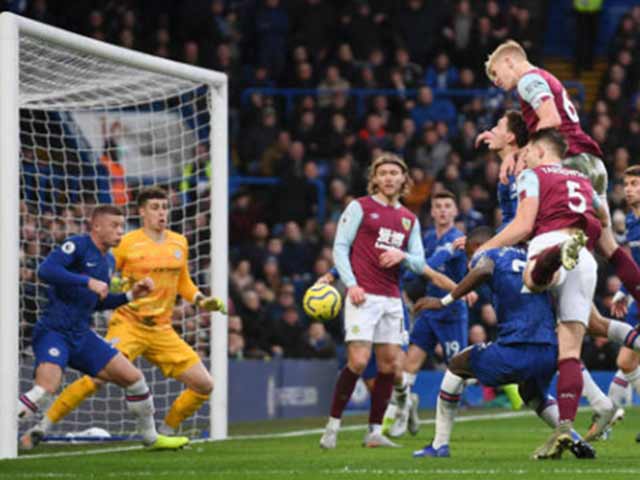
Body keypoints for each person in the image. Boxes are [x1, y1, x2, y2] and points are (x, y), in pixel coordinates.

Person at [26, 187, 226, 446]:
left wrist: (200, 299)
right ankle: (42, 426)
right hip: (129, 324)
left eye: (164, 207)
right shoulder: (124, 244)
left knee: (204, 384)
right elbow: (105, 278)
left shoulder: (180, 242)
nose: (162, 213)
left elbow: (183, 282)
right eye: (155, 207)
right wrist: (117, 288)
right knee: (96, 379)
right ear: (141, 212)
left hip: (162, 328)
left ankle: (166, 430)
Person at [477, 111, 617, 438]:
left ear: (534, 148)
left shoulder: (530, 173)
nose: (523, 160)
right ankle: (576, 419)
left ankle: (553, 259)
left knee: (534, 286)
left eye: (526, 155)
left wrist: (487, 249)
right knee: (574, 343)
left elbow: (523, 224)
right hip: (581, 255)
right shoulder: (574, 177)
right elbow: (603, 215)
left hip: (542, 245)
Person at [411, 227, 594, 459]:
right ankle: (573, 438)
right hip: (549, 349)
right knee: (531, 392)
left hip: (517, 346)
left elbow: (484, 269)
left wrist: (444, 301)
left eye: (469, 256)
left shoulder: (489, 254)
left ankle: (439, 445)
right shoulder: (527, 254)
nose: (470, 262)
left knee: (458, 365)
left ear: (477, 247)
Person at [484, 40, 640, 308]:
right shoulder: (545, 78)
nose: (496, 81)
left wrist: (522, 154)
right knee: (610, 248)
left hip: (570, 163)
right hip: (591, 162)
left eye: (496, 73)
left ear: (510, 60)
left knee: (549, 234)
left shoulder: (528, 80)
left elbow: (551, 119)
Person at [319, 152, 429, 449]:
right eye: (383, 173)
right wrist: (350, 284)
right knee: (357, 361)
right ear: (375, 179)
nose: (389, 178)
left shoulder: (409, 219)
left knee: (389, 366)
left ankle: (375, 431)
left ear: (403, 179)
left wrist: (403, 256)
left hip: (392, 299)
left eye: (395, 173)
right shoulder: (359, 207)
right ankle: (332, 427)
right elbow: (340, 248)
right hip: (362, 296)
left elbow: (420, 261)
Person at [388, 191, 469, 438]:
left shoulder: (459, 239)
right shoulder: (427, 237)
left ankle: (502, 387)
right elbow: (415, 272)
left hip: (452, 311)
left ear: (455, 211)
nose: (443, 210)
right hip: (428, 311)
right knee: (407, 367)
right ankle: (404, 409)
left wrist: (414, 262)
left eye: (447, 206)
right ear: (432, 212)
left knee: (459, 372)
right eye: (438, 206)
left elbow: (429, 265)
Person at [608, 166, 640, 428]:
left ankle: (605, 416)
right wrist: (623, 290)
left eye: (635, 184)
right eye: (627, 184)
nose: (628, 189)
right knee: (626, 361)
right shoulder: (631, 219)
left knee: (626, 360)